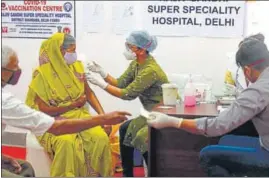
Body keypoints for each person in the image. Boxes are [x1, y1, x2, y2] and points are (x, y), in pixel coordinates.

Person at [1, 45, 130, 177]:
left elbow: (89, 93)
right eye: (14, 67)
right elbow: (49, 118)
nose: (18, 70)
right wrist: (99, 117)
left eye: (74, 49)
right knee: (66, 142)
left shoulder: (77, 69)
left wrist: (2, 159)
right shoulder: (40, 76)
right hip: (54, 119)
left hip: (77, 116)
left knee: (100, 137)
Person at [147, 39, 269, 176]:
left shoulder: (258, 91)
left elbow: (218, 125)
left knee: (208, 155)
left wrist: (173, 121)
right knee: (227, 138)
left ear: (247, 70)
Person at [85, 30, 169, 176]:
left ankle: (155, 173)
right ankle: (127, 174)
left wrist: (100, 84)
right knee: (125, 128)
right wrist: (102, 73)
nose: (127, 49)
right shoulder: (137, 64)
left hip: (162, 113)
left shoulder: (150, 70)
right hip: (150, 112)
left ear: (142, 50)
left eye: (130, 46)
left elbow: (127, 94)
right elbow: (121, 83)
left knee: (142, 137)